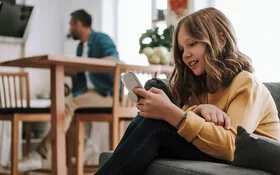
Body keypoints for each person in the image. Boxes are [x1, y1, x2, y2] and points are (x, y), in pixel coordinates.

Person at [95, 7, 280, 174]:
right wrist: (198, 110)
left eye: (193, 44)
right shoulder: (201, 84)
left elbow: (232, 146)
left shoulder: (247, 84)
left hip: (254, 158)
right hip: (217, 149)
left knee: (157, 126)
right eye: (182, 49)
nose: (185, 55)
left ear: (221, 39)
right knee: (148, 118)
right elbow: (192, 122)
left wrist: (170, 112)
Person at [12, 9, 119, 172]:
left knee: (66, 105)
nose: (69, 29)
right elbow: (80, 76)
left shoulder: (101, 39)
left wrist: (84, 62)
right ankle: (86, 147)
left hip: (107, 94)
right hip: (86, 93)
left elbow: (114, 60)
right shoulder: (79, 47)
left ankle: (39, 155)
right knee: (63, 105)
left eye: (70, 25)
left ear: (78, 25)